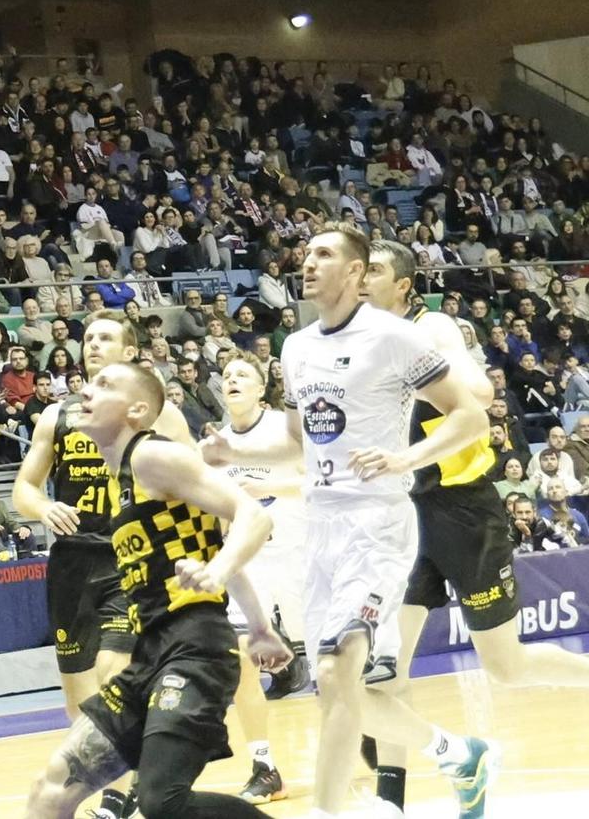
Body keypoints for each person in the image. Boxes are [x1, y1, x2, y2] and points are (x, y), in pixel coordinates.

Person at [201, 224, 494, 819]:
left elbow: (472, 418)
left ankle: (329, 812)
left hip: (378, 523)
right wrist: (233, 452)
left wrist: (407, 457)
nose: (307, 263)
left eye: (324, 254)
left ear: (357, 274)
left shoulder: (393, 337)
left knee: (339, 669)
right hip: (321, 526)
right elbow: (300, 441)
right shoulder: (295, 345)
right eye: (306, 253)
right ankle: (458, 752)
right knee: (335, 685)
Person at [363, 240, 589, 813]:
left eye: (375, 271)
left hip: (462, 510)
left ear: (404, 285)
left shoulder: (430, 325)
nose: (362, 279)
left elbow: (482, 392)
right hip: (399, 515)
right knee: (385, 668)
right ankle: (393, 801)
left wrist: (408, 378)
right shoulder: (355, 342)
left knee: (506, 668)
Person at [25, 363, 290, 819]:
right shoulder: (121, 479)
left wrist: (219, 572)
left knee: (159, 802)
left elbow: (254, 516)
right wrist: (261, 628)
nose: (86, 391)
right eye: (90, 383)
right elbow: (207, 539)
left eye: (105, 385)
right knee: (51, 789)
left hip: (195, 652)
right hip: (150, 654)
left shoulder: (154, 457)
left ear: (137, 409)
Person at [213, 357, 306, 804]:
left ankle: (368, 733)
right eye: (227, 375)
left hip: (298, 551)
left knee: (339, 658)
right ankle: (264, 765)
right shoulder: (214, 442)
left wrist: (267, 491)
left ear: (261, 388)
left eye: (242, 375)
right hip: (249, 564)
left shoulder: (283, 429)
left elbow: (319, 480)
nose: (232, 380)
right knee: (240, 665)